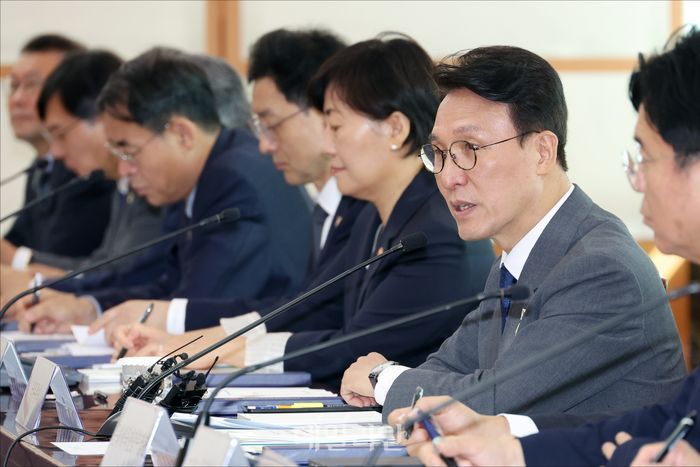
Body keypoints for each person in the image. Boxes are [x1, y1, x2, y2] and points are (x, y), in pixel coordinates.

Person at [108, 34, 495, 387]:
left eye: (335, 127)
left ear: (395, 129)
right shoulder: (371, 216)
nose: (326, 146)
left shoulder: (434, 232)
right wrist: (191, 345)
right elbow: (309, 311)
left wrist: (217, 353)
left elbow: (353, 347)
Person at [390, 28, 700, 467]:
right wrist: (508, 443)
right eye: (440, 153)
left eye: (470, 148)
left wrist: (385, 379)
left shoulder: (601, 267)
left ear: (542, 152)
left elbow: (492, 397)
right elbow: (660, 426)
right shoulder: (516, 258)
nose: (449, 176)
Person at [88, 28, 366, 338]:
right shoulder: (209, 178)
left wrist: (173, 324)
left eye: (272, 124)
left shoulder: (234, 177)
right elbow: (171, 284)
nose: (264, 145)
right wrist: (95, 307)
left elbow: (311, 315)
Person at [17, 47, 312, 333]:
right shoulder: (200, 177)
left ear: (182, 134)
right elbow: (167, 285)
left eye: (128, 151)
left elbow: (199, 308)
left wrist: (129, 315)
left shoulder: (233, 180)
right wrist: (89, 308)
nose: (124, 170)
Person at [1, 34, 114, 265]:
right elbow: (18, 242)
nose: (17, 99)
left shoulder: (91, 169)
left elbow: (68, 258)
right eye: (13, 86)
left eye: (32, 84)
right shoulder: (42, 167)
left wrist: (15, 259)